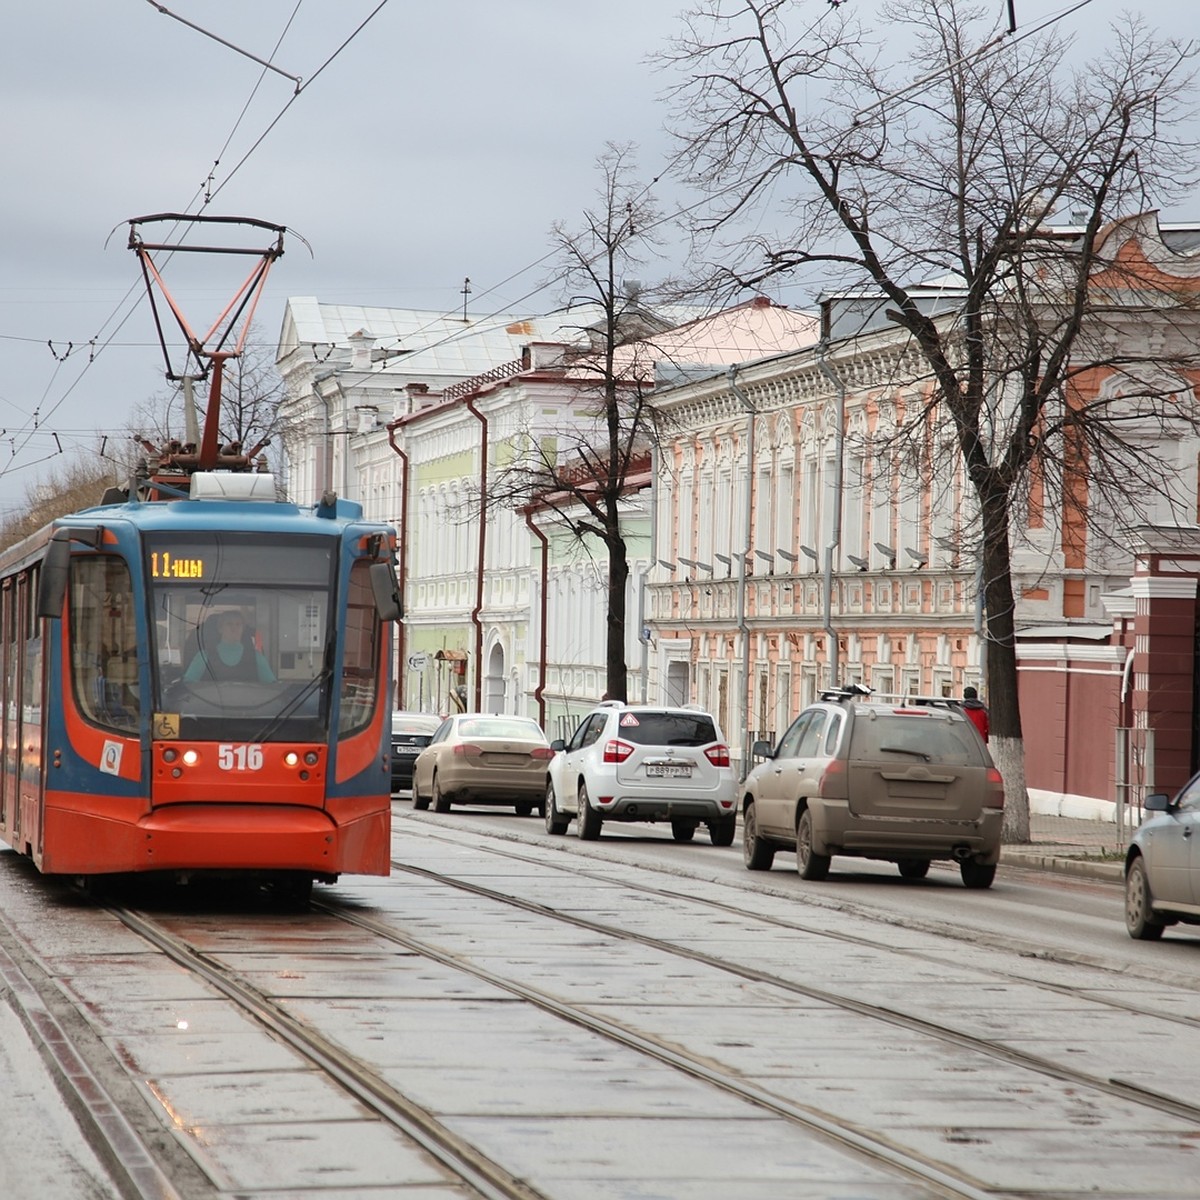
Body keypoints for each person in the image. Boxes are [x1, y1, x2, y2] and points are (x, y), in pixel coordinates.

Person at [184, 610, 275, 683]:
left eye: (238, 624)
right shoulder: (204, 656)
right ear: (220, 629)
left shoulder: (256, 657)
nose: (234, 628)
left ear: (243, 629)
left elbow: (272, 686)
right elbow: (188, 685)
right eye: (229, 624)